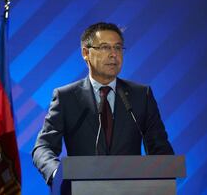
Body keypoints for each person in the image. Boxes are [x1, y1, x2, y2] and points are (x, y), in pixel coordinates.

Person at [32, 22, 174, 185]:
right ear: (86, 53)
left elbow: (160, 149)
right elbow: (43, 147)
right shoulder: (66, 97)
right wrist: (57, 173)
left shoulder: (141, 95)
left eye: (118, 48)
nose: (114, 54)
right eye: (105, 47)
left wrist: (165, 175)